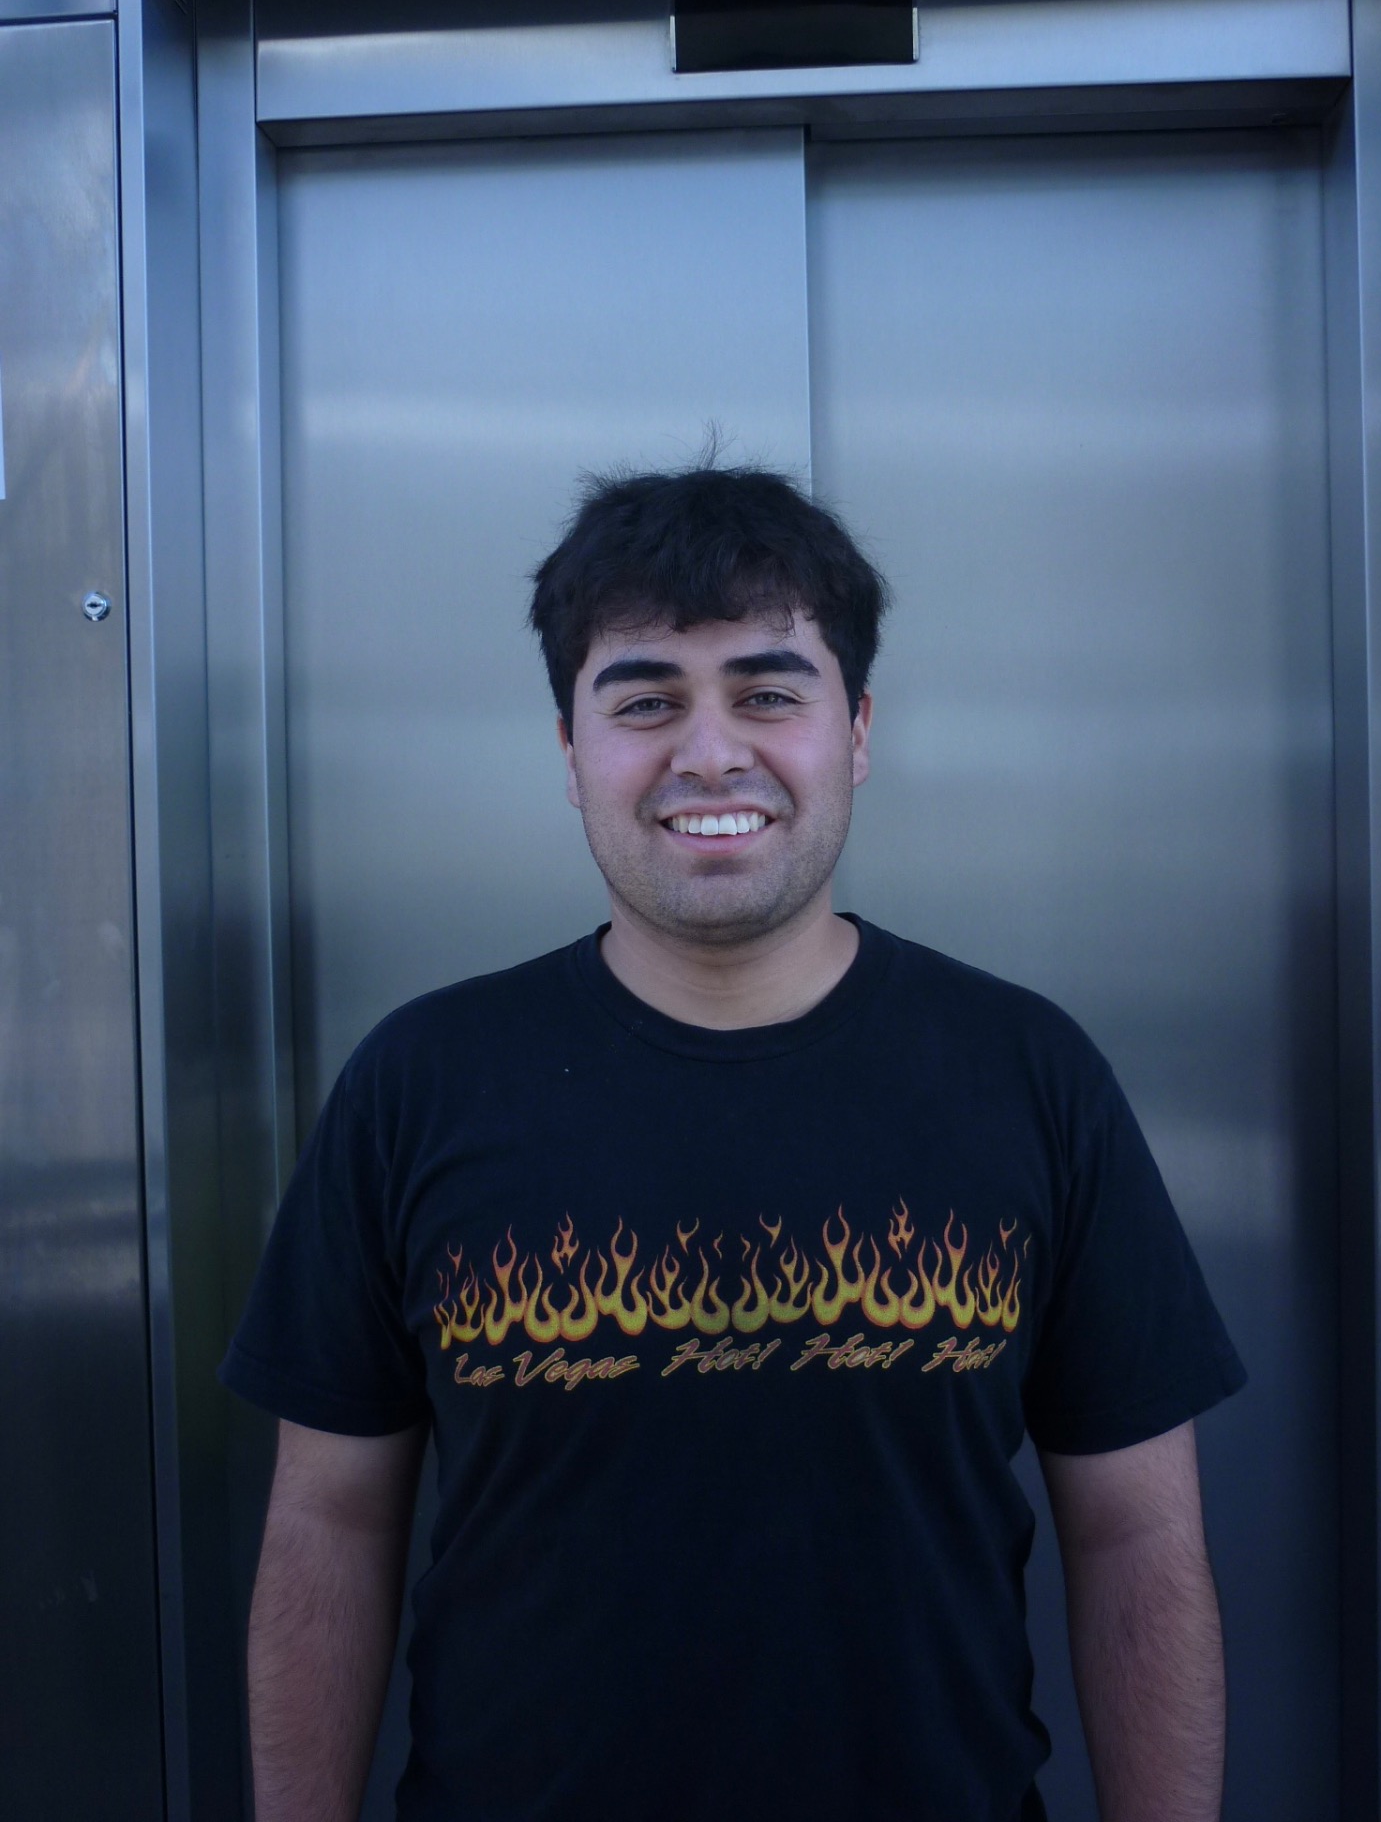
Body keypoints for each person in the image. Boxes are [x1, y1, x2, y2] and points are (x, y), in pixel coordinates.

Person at [222, 463, 1246, 1822]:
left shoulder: (1029, 1075)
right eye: (645, 701)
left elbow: (1136, 1538)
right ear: (570, 750)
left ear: (858, 731)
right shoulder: (417, 1086)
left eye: (768, 693)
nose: (709, 755)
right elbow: (330, 1525)